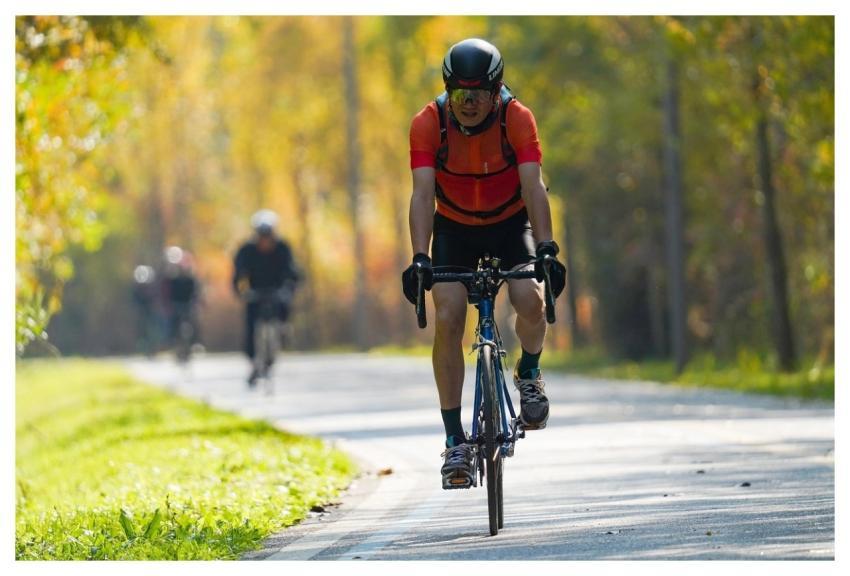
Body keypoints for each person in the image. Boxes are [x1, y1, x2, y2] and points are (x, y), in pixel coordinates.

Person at [402, 38, 567, 489]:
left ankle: (528, 373)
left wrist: (547, 249)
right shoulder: (428, 123)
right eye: (459, 93)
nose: (468, 103)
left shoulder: (518, 118)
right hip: (454, 228)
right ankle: (454, 441)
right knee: (449, 314)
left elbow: (534, 187)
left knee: (530, 299)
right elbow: (422, 195)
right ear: (447, 91)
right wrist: (420, 257)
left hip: (510, 223)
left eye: (478, 94)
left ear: (496, 92)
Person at [232, 209, 301, 386]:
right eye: (261, 235)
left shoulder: (283, 248)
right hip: (255, 293)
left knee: (283, 308)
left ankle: (283, 331)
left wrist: (288, 289)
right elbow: (239, 273)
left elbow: (292, 272)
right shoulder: (247, 250)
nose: (265, 240)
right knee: (251, 325)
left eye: (268, 235)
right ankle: (253, 361)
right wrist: (241, 292)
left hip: (276, 292)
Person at [159, 246, 201, 354]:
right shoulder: (171, 278)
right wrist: (167, 304)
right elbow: (167, 292)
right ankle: (171, 341)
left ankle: (196, 342)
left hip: (187, 303)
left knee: (193, 321)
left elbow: (195, 291)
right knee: (173, 321)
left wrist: (197, 302)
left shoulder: (190, 278)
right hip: (175, 303)